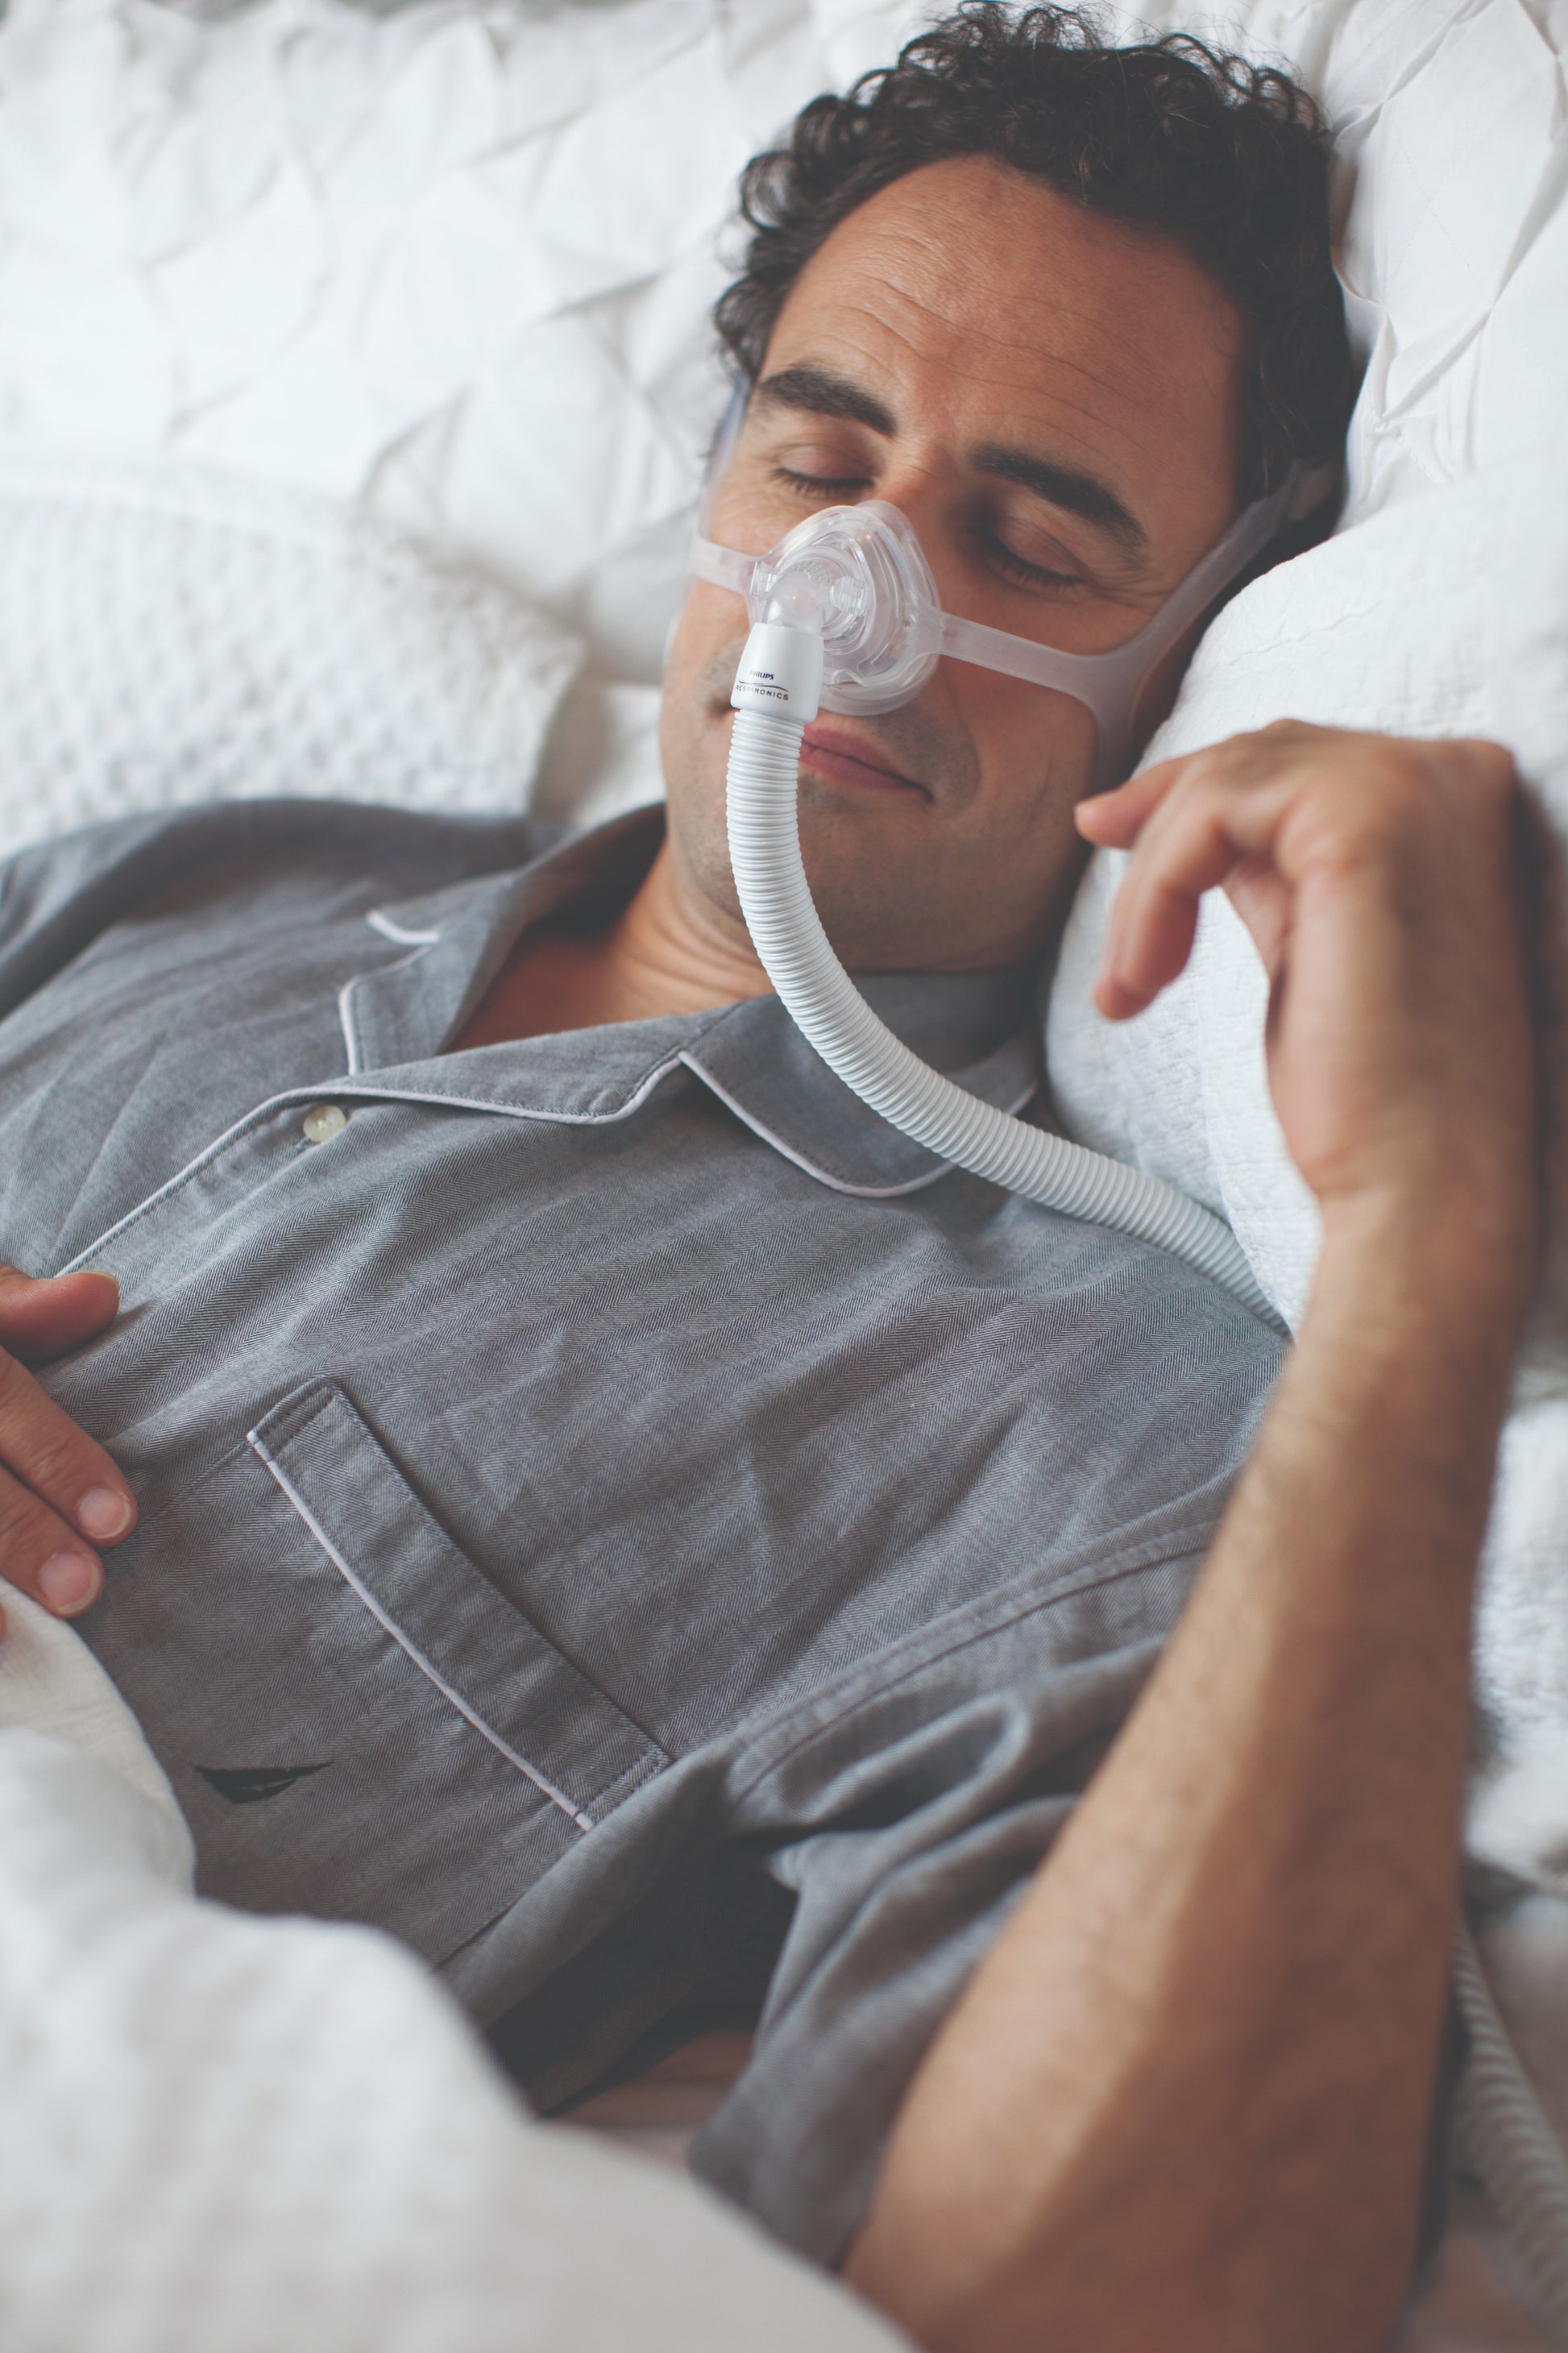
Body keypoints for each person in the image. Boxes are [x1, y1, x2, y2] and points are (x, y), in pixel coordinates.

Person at [0, 10, 1540, 2351]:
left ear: (1190, 656)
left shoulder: (1071, 1422)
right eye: (817, 455)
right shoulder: (200, 883)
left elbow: (1118, 2297)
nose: (859, 576)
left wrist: (1431, 1238)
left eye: (1028, 534)